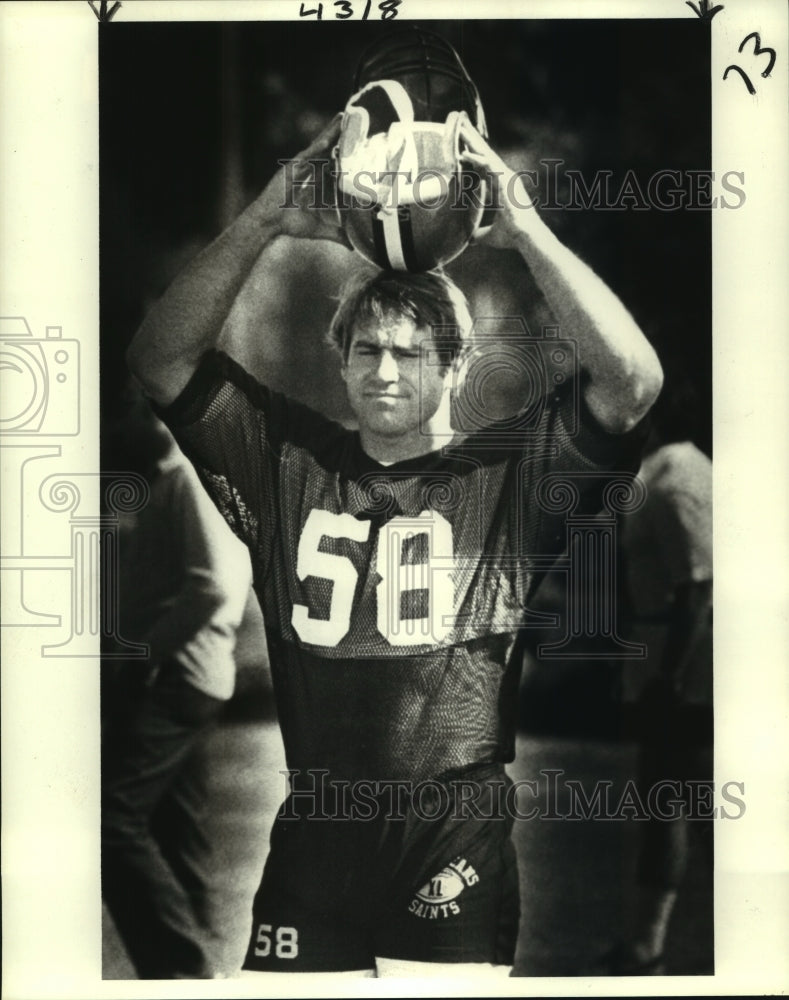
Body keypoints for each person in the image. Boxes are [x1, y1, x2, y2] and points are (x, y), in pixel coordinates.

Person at [126, 111, 663, 977]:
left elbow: (632, 380)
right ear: (339, 359)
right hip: (314, 834)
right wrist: (265, 219)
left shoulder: (508, 478)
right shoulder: (284, 460)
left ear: (454, 368)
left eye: (410, 355)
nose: (383, 371)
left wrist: (524, 229)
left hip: (450, 839)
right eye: (366, 349)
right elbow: (158, 360)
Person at [101, 392, 252, 978]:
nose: (127, 423)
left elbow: (212, 588)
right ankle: (208, 965)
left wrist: (140, 657)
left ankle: (185, 974)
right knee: (176, 834)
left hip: (176, 679)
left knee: (111, 821)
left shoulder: (188, 478)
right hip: (183, 676)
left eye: (139, 412)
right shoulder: (173, 480)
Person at [592, 386, 713, 975]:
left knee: (674, 800)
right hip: (669, 665)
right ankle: (645, 945)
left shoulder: (680, 474)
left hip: (688, 675)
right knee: (668, 800)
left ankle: (647, 948)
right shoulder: (658, 473)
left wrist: (671, 675)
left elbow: (700, 586)